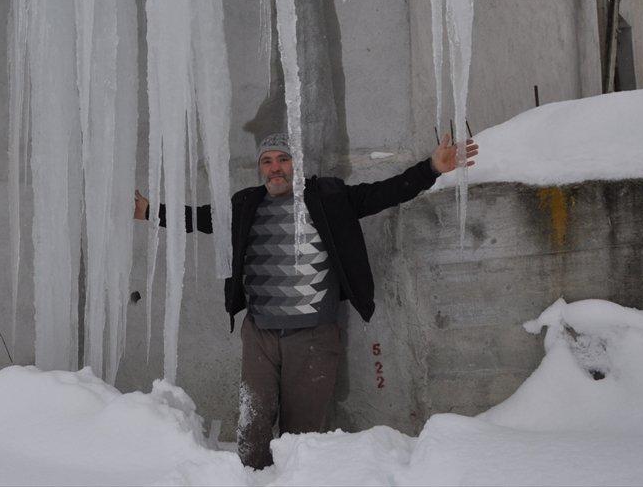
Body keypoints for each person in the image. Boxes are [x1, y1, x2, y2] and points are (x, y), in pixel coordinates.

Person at [134, 132, 479, 469]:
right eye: (267, 161)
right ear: (260, 168)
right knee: (251, 431)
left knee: (300, 437)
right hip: (260, 336)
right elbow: (198, 218)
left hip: (313, 337)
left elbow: (384, 193)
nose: (275, 167)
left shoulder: (329, 197)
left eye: (283, 159)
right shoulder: (246, 204)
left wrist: (431, 168)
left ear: (296, 164)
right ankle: (248, 479)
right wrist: (150, 210)